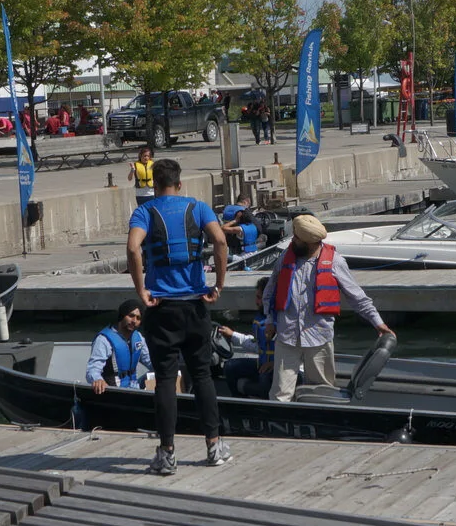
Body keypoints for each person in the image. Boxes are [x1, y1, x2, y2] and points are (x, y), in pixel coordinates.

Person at [127, 157, 231, 474]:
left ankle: (167, 454)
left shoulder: (144, 212)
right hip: (195, 306)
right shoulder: (198, 208)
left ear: (154, 184)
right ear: (179, 183)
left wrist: (141, 290)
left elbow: (133, 248)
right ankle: (214, 446)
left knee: (165, 380)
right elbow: (220, 240)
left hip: (162, 309)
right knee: (202, 376)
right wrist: (218, 284)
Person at [261, 214, 394, 402]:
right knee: (279, 394)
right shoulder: (285, 258)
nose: (293, 240)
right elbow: (270, 292)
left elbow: (357, 297)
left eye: (297, 237)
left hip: (318, 337)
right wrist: (269, 320)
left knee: (321, 392)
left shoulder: (335, 262)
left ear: (309, 242)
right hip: (287, 336)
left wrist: (378, 323)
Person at [87, 298, 156, 393]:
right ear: (122, 316)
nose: (134, 321)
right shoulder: (104, 340)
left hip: (135, 387)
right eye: (131, 316)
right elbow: (93, 369)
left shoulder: (138, 338)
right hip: (115, 390)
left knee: (164, 372)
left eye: (138, 318)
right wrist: (97, 380)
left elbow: (151, 362)